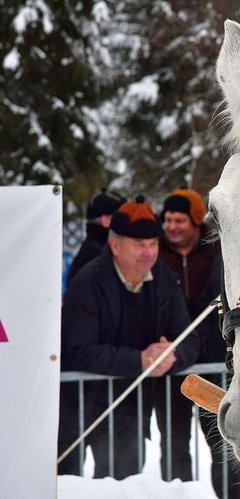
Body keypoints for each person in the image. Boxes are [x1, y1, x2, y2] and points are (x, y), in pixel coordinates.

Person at [61, 195, 201, 479]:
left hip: (130, 407)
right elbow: (79, 350)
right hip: (76, 404)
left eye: (153, 244)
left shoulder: (164, 279)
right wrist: (140, 360)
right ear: (115, 245)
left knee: (124, 485)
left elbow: (190, 338)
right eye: (139, 245)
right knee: (66, 482)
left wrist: (172, 357)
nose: (148, 253)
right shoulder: (87, 283)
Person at [156, 188, 240, 497]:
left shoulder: (218, 251)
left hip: (216, 363)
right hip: (173, 367)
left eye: (180, 220)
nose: (172, 226)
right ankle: (177, 492)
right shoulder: (157, 254)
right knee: (173, 442)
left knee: (221, 443)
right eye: (168, 219)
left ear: (196, 222)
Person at [58, 187, 126, 476]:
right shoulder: (93, 262)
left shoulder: (95, 255)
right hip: (86, 381)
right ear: (107, 221)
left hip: (98, 377)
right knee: (74, 470)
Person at [66, 188, 126, 286]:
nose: (125, 224)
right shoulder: (98, 261)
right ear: (105, 221)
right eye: (121, 218)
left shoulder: (96, 253)